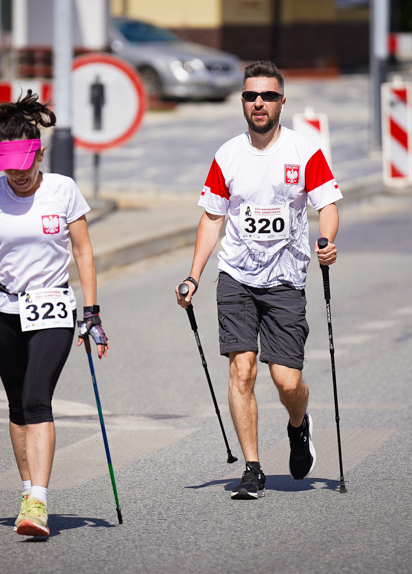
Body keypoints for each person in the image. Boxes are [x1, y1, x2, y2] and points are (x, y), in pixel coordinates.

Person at [0, 90, 109, 536]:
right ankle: (27, 489)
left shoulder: (63, 190)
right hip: (4, 308)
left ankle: (39, 500)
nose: (16, 177)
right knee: (17, 406)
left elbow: (84, 253)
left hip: (53, 305)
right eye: (7, 169)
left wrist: (90, 311)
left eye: (23, 168)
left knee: (37, 399)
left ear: (38, 156)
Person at [174, 60, 341, 500]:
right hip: (237, 277)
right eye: (251, 96)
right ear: (242, 102)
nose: (258, 103)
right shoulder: (227, 155)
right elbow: (212, 218)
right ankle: (252, 468)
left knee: (287, 381)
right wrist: (194, 276)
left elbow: (328, 204)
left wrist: (326, 239)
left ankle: (298, 425)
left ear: (282, 101)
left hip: (286, 278)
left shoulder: (304, 152)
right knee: (242, 368)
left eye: (267, 95)